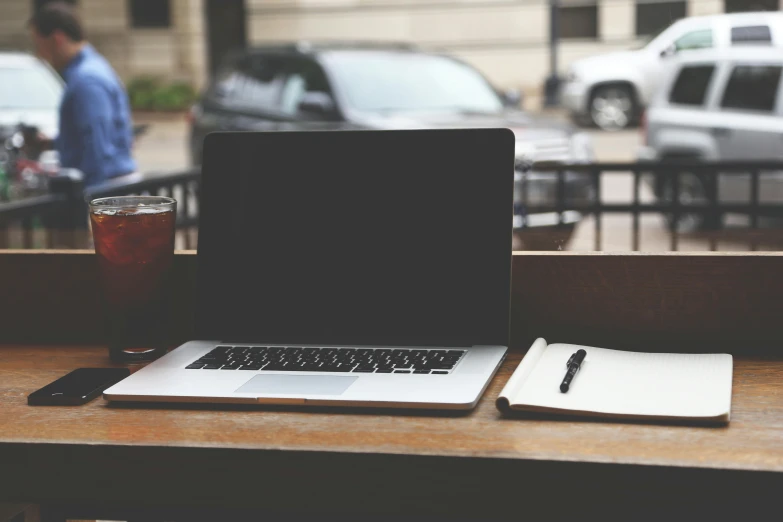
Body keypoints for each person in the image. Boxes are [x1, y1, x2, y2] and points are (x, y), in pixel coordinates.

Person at [29, 2, 136, 187]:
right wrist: (55, 143)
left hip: (106, 192)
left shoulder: (87, 80)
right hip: (111, 188)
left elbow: (97, 146)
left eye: (40, 45)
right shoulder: (89, 70)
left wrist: (86, 201)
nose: (40, 55)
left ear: (57, 39)